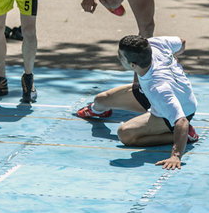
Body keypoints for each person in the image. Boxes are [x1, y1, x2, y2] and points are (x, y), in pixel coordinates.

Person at [76, 35, 198, 170]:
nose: (118, 57)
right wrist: (173, 56)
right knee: (101, 100)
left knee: (125, 134)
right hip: (155, 94)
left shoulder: (158, 88)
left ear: (133, 65)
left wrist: (176, 155)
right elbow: (182, 42)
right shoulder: (155, 43)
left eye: (120, 56)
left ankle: (185, 135)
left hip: (181, 109)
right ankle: (97, 111)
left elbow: (181, 122)